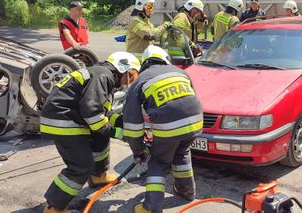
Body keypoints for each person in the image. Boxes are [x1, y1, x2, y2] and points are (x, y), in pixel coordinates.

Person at [40, 52, 141, 213]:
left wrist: (123, 122)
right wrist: (118, 133)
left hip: (72, 118)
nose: (130, 82)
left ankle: (98, 176)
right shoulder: (103, 76)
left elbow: (103, 112)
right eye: (133, 76)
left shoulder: (103, 75)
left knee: (100, 140)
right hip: (63, 122)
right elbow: (92, 112)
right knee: (80, 166)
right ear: (125, 70)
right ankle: (53, 207)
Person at [122, 45, 203, 213]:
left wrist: (138, 150)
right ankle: (186, 191)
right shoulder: (180, 72)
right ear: (165, 59)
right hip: (195, 122)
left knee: (159, 161)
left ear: (144, 63)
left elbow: (132, 124)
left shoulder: (140, 80)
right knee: (181, 152)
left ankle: (151, 207)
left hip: (169, 128)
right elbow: (192, 98)